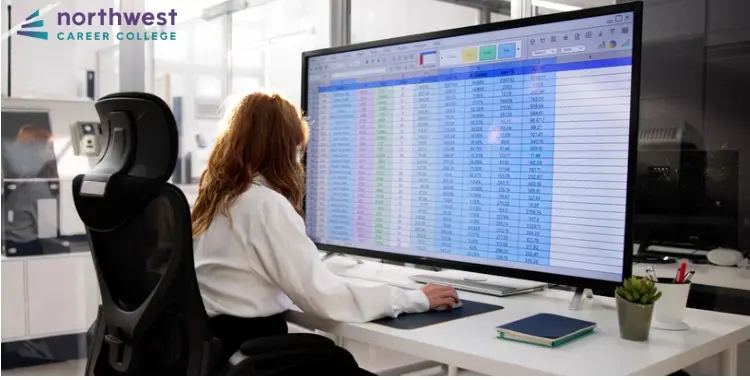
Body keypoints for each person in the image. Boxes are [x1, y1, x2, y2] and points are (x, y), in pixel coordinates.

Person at [191, 91, 459, 357]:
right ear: (285, 149)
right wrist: (415, 298)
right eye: (298, 150)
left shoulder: (219, 198)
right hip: (246, 344)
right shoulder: (265, 205)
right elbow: (324, 297)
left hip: (213, 343)